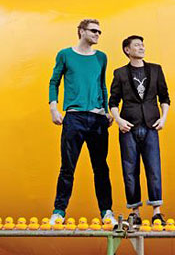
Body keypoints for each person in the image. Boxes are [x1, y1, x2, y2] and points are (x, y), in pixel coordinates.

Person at [48, 18, 115, 225]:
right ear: (81, 31)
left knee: (101, 167)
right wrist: (53, 108)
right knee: (67, 166)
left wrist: (106, 111)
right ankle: (59, 211)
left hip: (97, 118)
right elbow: (54, 81)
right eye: (94, 31)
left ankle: (106, 211)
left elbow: (102, 85)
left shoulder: (101, 57)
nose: (97, 35)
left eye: (99, 32)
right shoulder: (65, 55)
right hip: (74, 117)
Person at [109, 35, 170, 226]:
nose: (141, 47)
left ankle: (157, 212)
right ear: (127, 50)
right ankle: (134, 212)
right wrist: (118, 120)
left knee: (154, 168)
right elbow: (113, 101)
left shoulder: (155, 69)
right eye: (137, 45)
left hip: (151, 125)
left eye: (143, 44)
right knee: (129, 170)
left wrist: (163, 118)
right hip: (129, 128)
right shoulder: (119, 73)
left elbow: (165, 97)